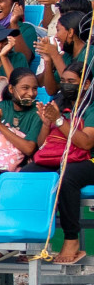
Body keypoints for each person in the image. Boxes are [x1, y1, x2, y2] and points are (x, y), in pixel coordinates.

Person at [41, 90, 94, 265]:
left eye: (72, 82)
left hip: (88, 161)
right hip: (70, 157)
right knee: (30, 174)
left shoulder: (91, 108)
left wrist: (58, 120)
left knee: (67, 176)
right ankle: (30, 241)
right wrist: (47, 123)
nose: (66, 86)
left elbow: (86, 143)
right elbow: (41, 144)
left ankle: (71, 239)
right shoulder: (63, 104)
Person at [0, 68, 41, 176]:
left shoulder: (38, 111)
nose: (31, 93)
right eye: (25, 88)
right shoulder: (2, 106)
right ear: (11, 89)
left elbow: (29, 149)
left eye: (34, 89)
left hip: (16, 167)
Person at [37, 7, 93, 101]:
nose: (56, 36)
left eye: (58, 30)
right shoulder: (66, 56)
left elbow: (72, 86)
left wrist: (55, 54)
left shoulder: (90, 52)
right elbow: (51, 90)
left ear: (70, 32)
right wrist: (48, 61)